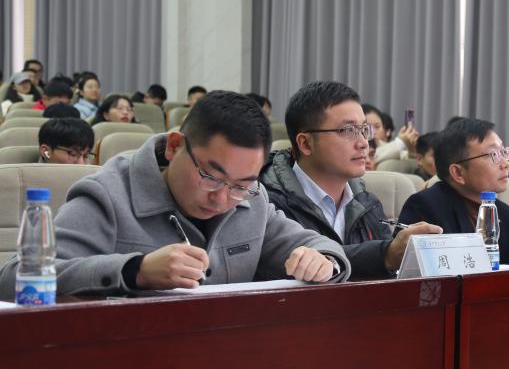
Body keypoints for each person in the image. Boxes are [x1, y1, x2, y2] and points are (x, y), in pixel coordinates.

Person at [0, 91, 351, 298]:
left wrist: (323, 260)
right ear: (173, 147)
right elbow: (15, 277)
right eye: (210, 177)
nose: (222, 199)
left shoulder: (252, 199)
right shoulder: (108, 194)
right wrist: (134, 271)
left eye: (240, 185)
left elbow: (317, 244)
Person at [260, 81, 440, 279]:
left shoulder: (368, 203)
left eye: (364, 130)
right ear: (306, 143)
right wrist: (384, 254)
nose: (363, 143)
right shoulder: (267, 204)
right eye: (348, 131)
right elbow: (295, 272)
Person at [398, 118, 509, 265]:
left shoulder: (506, 214)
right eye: (493, 155)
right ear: (458, 173)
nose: (505, 163)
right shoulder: (425, 207)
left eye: (503, 152)